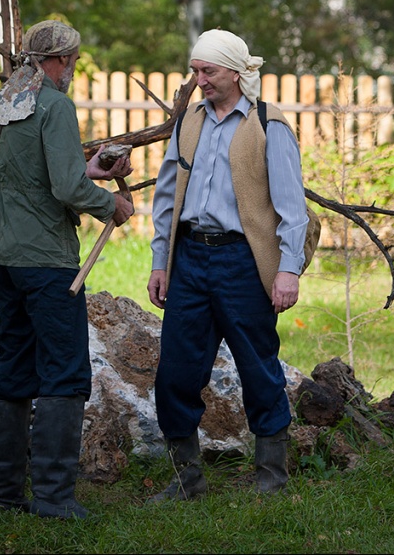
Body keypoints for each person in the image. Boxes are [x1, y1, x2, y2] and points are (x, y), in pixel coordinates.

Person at [146, 28, 309, 501]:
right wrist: (162, 262)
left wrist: (288, 269)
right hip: (191, 260)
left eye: (208, 71)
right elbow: (166, 199)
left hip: (243, 262)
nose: (199, 80)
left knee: (259, 367)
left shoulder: (267, 123)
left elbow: (292, 207)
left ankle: (271, 480)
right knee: (176, 370)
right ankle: (186, 482)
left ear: (236, 73)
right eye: (195, 71)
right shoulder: (189, 122)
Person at [0, 19, 134, 518]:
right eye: (73, 62)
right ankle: (53, 499)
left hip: (2, 257)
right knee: (65, 373)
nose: (72, 71)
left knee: (14, 367)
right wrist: (111, 205)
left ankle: (5, 498)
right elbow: (67, 190)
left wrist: (86, 171)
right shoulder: (56, 105)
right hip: (47, 261)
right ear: (62, 60)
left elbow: (11, 172)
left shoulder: (0, 102)